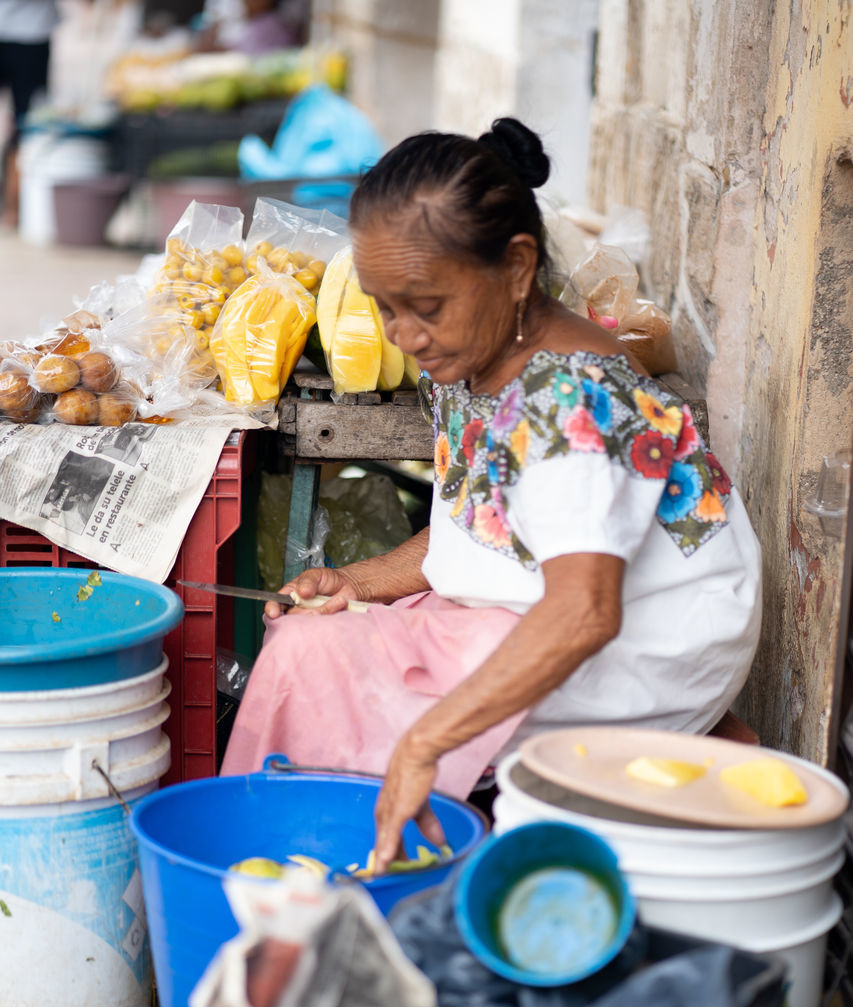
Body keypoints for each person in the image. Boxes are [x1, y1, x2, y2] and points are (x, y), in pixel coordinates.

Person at [221, 118, 762, 871]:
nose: (403, 334)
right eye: (385, 308)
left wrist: (429, 739)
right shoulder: (473, 364)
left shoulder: (571, 404)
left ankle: (334, 866)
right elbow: (478, 526)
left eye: (426, 306)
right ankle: (317, 860)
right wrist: (358, 581)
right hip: (546, 606)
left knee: (323, 677)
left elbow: (583, 610)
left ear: (515, 268)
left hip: (643, 650)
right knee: (309, 640)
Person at [0, 0, 61, 226]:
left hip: (32, 29)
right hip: (30, 31)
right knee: (26, 121)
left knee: (26, 122)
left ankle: (15, 205)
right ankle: (13, 207)